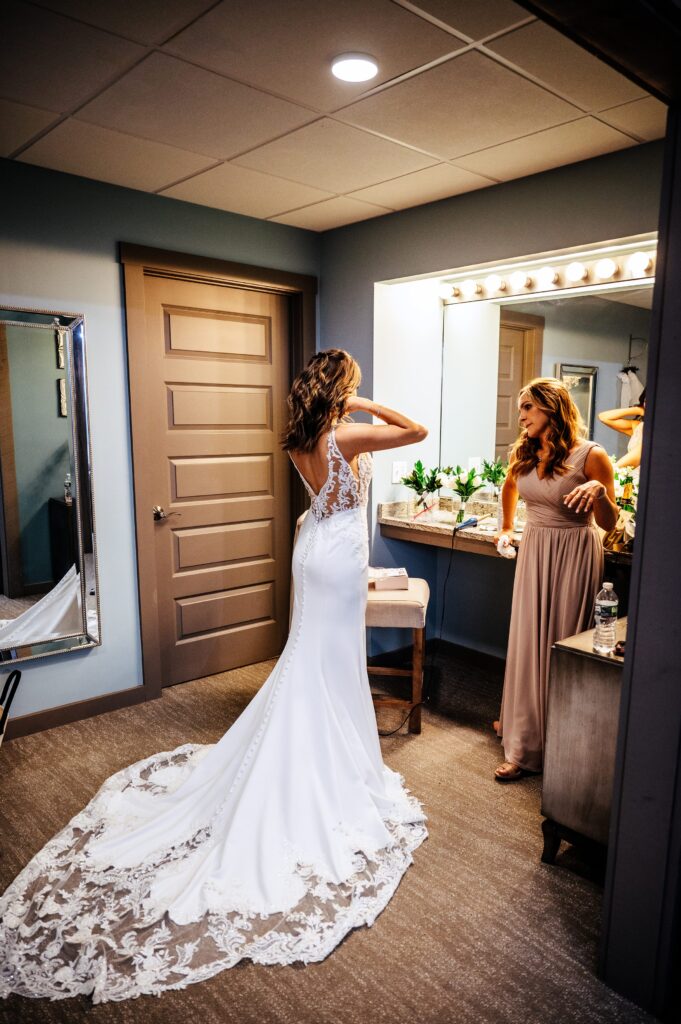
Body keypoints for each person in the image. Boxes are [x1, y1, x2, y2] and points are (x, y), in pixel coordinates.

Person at [0, 349, 428, 1003]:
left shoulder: (299, 440)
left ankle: (315, 747)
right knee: (326, 657)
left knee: (309, 654)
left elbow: (324, 496)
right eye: (355, 385)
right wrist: (362, 405)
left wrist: (343, 406)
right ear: (341, 390)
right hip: (337, 554)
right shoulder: (346, 431)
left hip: (314, 546)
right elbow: (415, 430)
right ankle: (324, 766)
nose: (361, 395)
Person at [493, 378, 618, 782]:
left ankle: (559, 746)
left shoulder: (591, 455)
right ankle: (522, 739)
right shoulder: (525, 451)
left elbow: (610, 524)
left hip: (574, 554)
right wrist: (508, 527)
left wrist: (599, 492)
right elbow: (510, 485)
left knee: (562, 645)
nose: (521, 415)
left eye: (527, 407)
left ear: (552, 408)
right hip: (534, 551)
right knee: (528, 641)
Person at [598, 388, 646, 470]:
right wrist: (638, 410)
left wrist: (612, 471)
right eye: (645, 401)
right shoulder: (637, 426)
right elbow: (603, 417)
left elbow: (641, 452)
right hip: (631, 478)